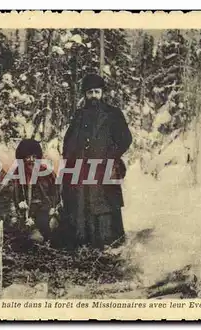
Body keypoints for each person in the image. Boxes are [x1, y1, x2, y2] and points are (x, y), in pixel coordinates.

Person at [61, 73, 132, 250]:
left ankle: (109, 242)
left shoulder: (113, 114)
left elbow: (125, 139)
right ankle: (85, 243)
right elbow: (69, 140)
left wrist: (111, 156)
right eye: (90, 92)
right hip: (82, 169)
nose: (94, 96)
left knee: (105, 204)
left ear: (102, 93)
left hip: (104, 168)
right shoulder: (79, 115)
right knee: (81, 205)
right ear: (85, 94)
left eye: (97, 92)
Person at [11, 139, 60, 245]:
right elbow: (11, 195)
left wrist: (54, 208)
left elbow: (56, 193)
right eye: (28, 157)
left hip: (45, 210)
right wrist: (19, 203)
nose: (31, 160)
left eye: (34, 157)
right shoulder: (17, 174)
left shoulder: (47, 173)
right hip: (25, 212)